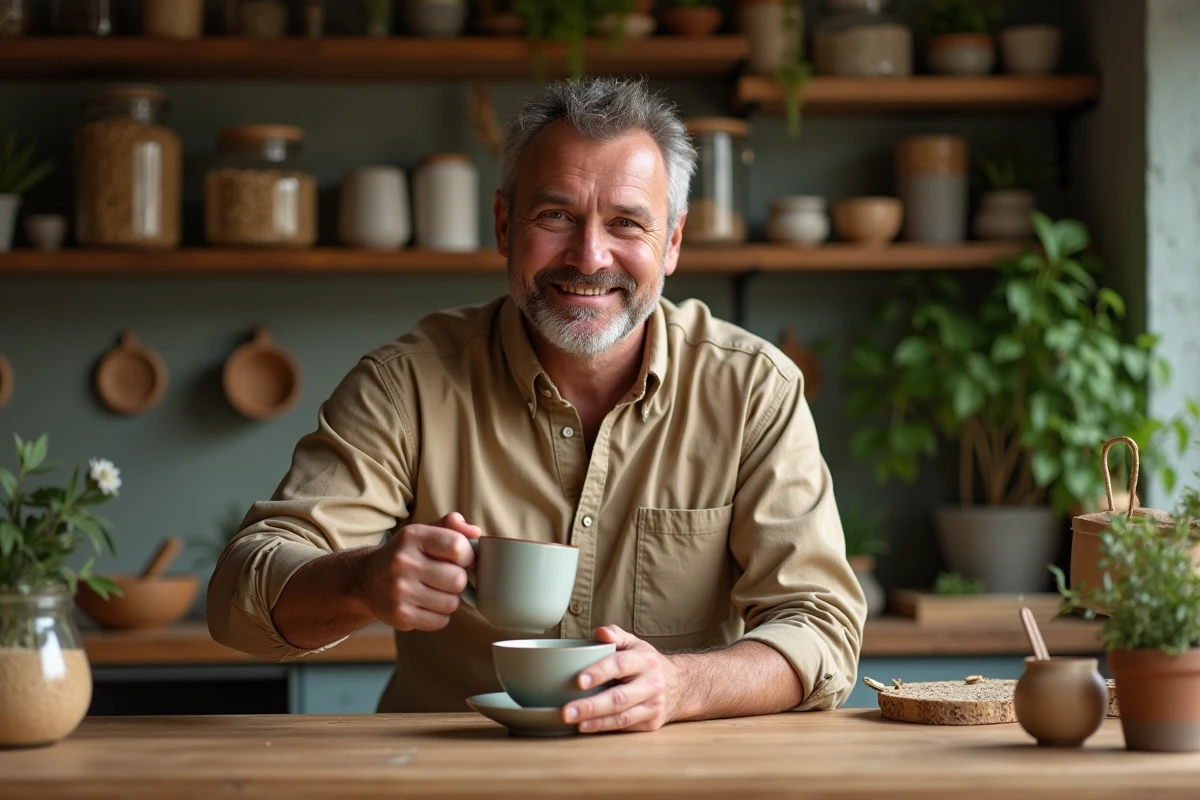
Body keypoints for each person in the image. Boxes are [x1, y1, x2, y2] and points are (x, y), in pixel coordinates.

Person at [208, 77, 866, 734]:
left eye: (627, 223)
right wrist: (362, 582)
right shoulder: (405, 383)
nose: (589, 256)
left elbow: (821, 627)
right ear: (504, 225)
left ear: (671, 243)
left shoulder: (753, 388)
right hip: (445, 777)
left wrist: (681, 685)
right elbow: (240, 592)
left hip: (674, 776)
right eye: (556, 217)